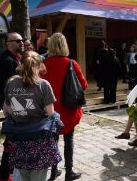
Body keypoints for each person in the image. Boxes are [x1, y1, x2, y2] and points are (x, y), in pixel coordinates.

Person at [3, 51, 62, 181]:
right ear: (39, 65)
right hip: (39, 140)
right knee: (38, 177)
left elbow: (9, 112)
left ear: (20, 64)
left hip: (19, 139)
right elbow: (51, 114)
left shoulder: (10, 83)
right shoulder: (43, 84)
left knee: (22, 174)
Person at [42, 33, 88, 181]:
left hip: (50, 110)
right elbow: (84, 85)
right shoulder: (71, 63)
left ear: (51, 46)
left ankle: (54, 172)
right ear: (65, 45)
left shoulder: (45, 64)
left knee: (53, 141)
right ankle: (69, 172)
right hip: (68, 109)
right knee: (69, 140)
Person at [0, 32, 23, 181]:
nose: (21, 43)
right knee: (12, 142)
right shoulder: (8, 60)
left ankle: (6, 175)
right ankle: (5, 175)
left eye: (22, 40)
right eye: (18, 41)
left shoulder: (13, 58)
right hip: (14, 108)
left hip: (14, 107)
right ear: (8, 43)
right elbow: (14, 88)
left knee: (11, 142)